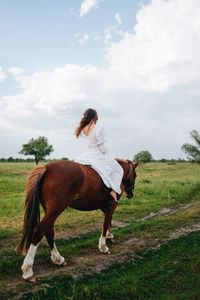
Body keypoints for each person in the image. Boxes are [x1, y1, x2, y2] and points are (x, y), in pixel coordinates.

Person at [74, 108, 123, 203]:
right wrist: (106, 155)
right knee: (118, 169)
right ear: (95, 117)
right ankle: (113, 191)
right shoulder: (98, 128)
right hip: (96, 154)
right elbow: (102, 146)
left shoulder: (81, 128)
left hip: (84, 155)